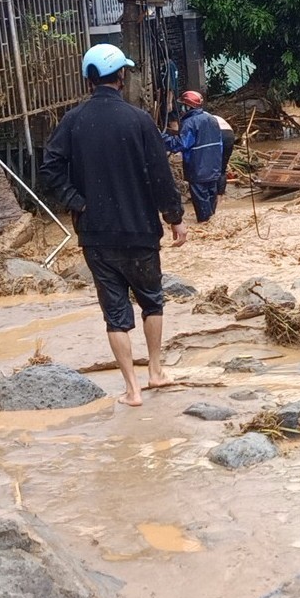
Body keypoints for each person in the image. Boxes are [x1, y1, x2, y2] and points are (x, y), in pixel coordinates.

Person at [41, 43, 187, 407]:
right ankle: (155, 371)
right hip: (140, 231)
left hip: (96, 234)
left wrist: (77, 202)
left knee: (115, 313)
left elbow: (50, 168)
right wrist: (175, 218)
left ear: (89, 78)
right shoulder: (139, 120)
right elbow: (160, 176)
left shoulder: (73, 121)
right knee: (152, 301)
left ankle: (132, 390)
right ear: (121, 77)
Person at [163, 90, 225, 222]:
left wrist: (162, 138)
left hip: (198, 169)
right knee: (210, 197)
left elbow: (181, 144)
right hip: (213, 168)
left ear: (187, 106)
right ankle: (211, 225)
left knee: (201, 202)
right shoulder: (212, 119)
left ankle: (205, 225)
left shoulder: (190, 122)